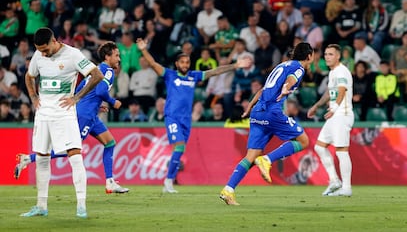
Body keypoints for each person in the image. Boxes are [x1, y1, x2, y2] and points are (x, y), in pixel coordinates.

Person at [136, 38, 251, 193]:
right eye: (182, 62)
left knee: (179, 150)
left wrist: (235, 65)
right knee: (180, 146)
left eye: (187, 62)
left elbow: (214, 71)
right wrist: (143, 49)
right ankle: (168, 182)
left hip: (186, 119)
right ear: (177, 64)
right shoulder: (170, 75)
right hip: (172, 117)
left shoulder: (193, 76)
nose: (185, 65)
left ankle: (168, 181)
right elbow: (153, 64)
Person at [14, 41, 129, 194]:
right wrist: (113, 102)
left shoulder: (96, 69)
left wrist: (94, 103)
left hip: (90, 113)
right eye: (116, 55)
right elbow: (101, 91)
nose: (119, 59)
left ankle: (110, 182)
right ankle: (28, 159)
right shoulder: (108, 71)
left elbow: (81, 88)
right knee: (71, 149)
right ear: (107, 57)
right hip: (85, 115)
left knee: (110, 143)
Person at [20, 27, 104, 218]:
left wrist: (76, 98)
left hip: (64, 115)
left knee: (75, 156)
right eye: (39, 49)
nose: (43, 53)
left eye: (45, 49)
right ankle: (41, 206)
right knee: (41, 158)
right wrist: (33, 96)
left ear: (54, 41)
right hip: (43, 115)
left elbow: (97, 74)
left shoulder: (73, 55)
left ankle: (81, 205)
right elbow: (29, 75)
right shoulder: (38, 56)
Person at [220, 42, 314, 205]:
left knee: (251, 156)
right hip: (272, 112)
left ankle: (228, 190)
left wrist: (250, 106)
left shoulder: (281, 65)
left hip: (257, 112)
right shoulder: (299, 68)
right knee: (303, 140)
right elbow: (291, 81)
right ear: (309, 56)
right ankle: (268, 160)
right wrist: (286, 88)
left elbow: (264, 89)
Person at [307, 44, 354, 197]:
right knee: (320, 147)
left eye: (331, 54)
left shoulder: (341, 71)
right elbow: (329, 93)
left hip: (342, 115)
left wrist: (334, 109)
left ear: (338, 56)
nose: (327, 57)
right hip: (334, 116)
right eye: (326, 54)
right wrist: (316, 105)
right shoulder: (333, 73)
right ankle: (334, 181)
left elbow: (341, 90)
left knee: (341, 151)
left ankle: (346, 188)